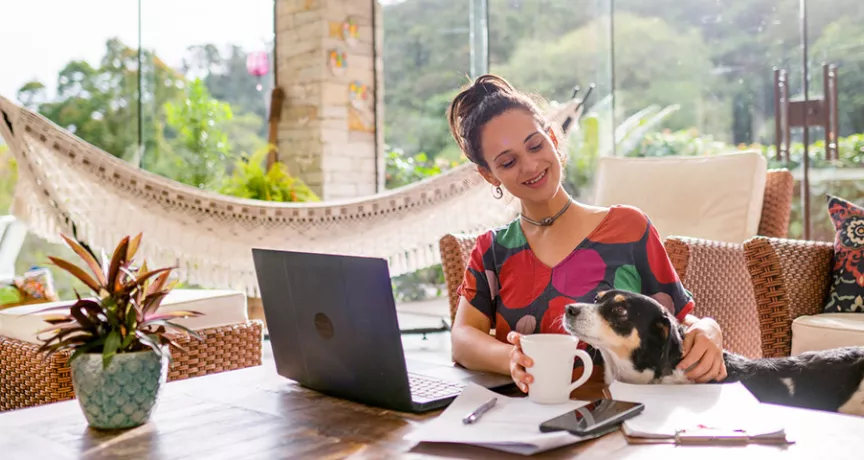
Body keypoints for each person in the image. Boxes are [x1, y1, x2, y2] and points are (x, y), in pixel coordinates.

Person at [446, 74, 726, 393]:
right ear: (489, 175)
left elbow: (679, 321)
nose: (530, 166)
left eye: (536, 145)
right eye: (508, 162)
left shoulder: (628, 228)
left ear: (552, 136)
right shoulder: (493, 251)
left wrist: (708, 328)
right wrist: (511, 357)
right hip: (526, 420)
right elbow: (463, 337)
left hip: (623, 418)